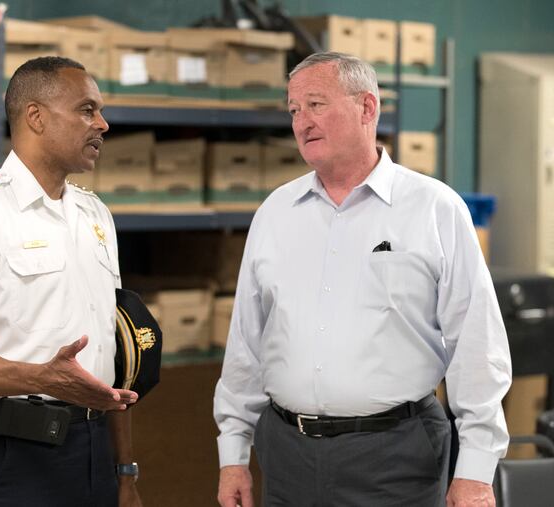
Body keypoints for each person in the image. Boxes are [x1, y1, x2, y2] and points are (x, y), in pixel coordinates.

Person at [214, 51, 512, 507]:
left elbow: (477, 344)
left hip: (395, 458)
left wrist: (475, 470)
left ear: (367, 108)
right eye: (294, 110)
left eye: (316, 104)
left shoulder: (434, 209)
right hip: (285, 455)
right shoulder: (275, 213)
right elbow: (246, 345)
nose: (302, 122)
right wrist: (232, 454)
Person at [0, 56, 143, 507]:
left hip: (98, 452)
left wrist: (125, 472)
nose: (102, 123)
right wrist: (42, 378)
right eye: (86, 109)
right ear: (36, 117)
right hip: (16, 456)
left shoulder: (95, 215)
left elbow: (113, 354)